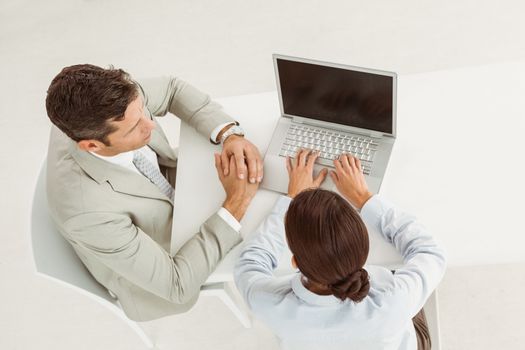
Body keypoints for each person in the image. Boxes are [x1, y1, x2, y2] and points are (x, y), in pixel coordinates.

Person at [45, 64, 261, 321]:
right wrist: (238, 201)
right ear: (92, 145)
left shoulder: (107, 103)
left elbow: (171, 88)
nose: (151, 125)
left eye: (143, 112)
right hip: (164, 263)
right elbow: (177, 285)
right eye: (135, 127)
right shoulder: (88, 214)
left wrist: (229, 135)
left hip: (169, 192)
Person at [234, 149, 447, 350]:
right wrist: (365, 199)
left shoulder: (269, 304)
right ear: (363, 251)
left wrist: (292, 200)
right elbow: (430, 252)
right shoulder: (393, 299)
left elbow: (250, 263)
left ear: (295, 263)